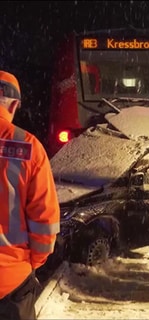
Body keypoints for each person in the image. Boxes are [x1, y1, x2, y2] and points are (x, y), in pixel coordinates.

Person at [0, 70, 60, 320]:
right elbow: (45, 223)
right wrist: (33, 263)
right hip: (11, 282)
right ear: (14, 105)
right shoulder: (29, 147)